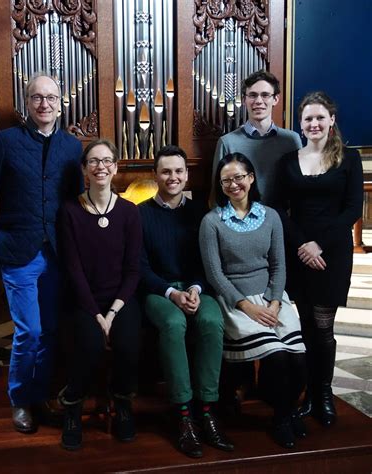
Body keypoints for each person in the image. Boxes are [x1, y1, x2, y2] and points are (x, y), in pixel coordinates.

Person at [0, 74, 83, 433]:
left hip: (57, 253)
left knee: (51, 331)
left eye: (51, 98)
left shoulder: (72, 147)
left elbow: (77, 202)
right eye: (37, 98)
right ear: (27, 102)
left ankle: (41, 395)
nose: (44, 104)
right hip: (17, 251)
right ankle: (20, 399)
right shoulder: (5, 142)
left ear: (60, 103)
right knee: (30, 332)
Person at [200, 153, 306, 449]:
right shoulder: (212, 221)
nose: (233, 184)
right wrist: (248, 307)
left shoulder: (270, 216)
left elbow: (278, 265)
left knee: (298, 358)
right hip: (236, 301)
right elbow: (214, 273)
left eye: (238, 177)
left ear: (251, 178)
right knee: (277, 356)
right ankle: (282, 418)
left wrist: (273, 303)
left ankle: (289, 406)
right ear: (220, 186)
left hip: (272, 297)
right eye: (226, 180)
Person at [138, 145, 232, 459]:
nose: (173, 177)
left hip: (194, 288)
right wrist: (172, 294)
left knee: (211, 319)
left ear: (187, 175)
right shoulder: (141, 214)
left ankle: (205, 409)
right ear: (155, 175)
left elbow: (208, 263)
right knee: (173, 322)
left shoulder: (200, 214)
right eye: (166, 171)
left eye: (179, 171)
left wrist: (193, 289)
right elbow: (140, 268)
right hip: (158, 291)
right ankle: (182, 413)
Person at [277, 92, 363, 427]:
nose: (313, 124)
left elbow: (352, 209)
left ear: (331, 121)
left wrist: (319, 246)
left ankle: (323, 394)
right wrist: (303, 244)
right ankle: (307, 394)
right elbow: (280, 209)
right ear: (300, 125)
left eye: (319, 118)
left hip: (333, 254)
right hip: (298, 251)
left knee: (324, 328)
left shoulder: (349, 159)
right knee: (305, 324)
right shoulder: (288, 160)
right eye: (307, 119)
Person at [57, 139, 142, 450]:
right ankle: (73, 404)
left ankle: (121, 403)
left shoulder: (130, 212)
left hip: (120, 300)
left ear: (116, 168)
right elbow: (73, 269)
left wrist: (113, 313)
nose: (101, 166)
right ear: (84, 170)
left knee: (129, 345)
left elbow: (133, 270)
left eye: (107, 161)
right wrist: (96, 314)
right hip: (84, 300)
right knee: (90, 346)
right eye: (93, 161)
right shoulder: (69, 211)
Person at [210, 70, 302, 208]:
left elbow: (299, 188)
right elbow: (217, 195)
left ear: (275, 99)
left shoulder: (291, 140)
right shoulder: (227, 142)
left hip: (281, 220)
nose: (259, 101)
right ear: (244, 99)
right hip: (240, 222)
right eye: (252, 95)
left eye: (265, 95)